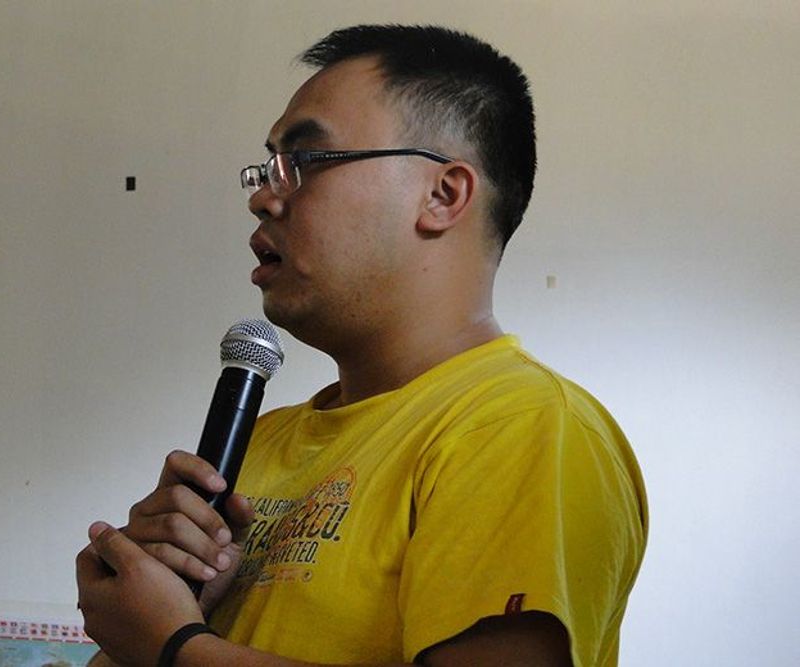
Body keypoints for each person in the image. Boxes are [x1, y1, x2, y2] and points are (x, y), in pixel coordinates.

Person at [76, 24, 648, 667]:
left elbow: (176, 651)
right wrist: (150, 612)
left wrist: (177, 647)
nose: (263, 198)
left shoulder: (523, 428)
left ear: (442, 195)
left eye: (304, 162)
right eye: (267, 168)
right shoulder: (262, 441)